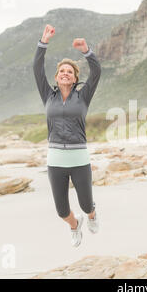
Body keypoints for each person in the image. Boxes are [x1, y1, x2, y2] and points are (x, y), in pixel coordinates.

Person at [33, 24, 101, 247]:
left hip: (79, 158)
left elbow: (97, 71)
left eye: (69, 72)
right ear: (57, 76)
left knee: (86, 204)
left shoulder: (83, 97)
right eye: (62, 71)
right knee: (62, 210)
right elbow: (37, 68)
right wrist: (43, 41)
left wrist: (85, 50)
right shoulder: (48, 96)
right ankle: (75, 225)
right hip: (55, 159)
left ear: (74, 79)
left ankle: (91, 215)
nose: (65, 73)